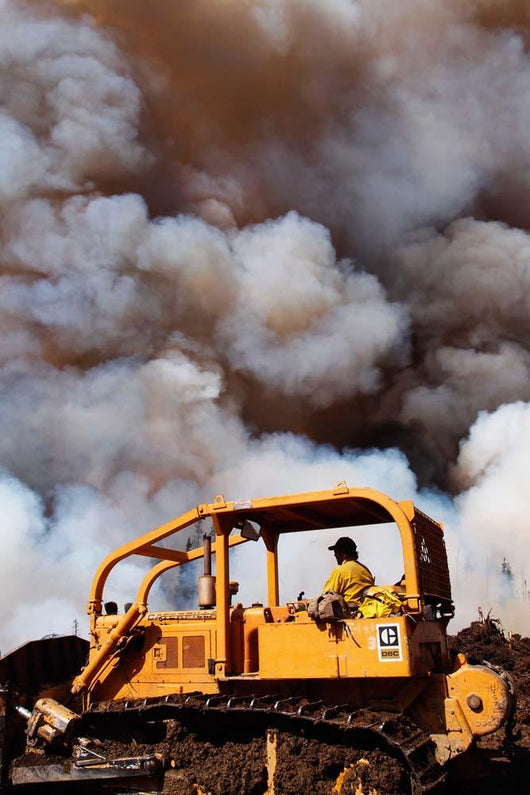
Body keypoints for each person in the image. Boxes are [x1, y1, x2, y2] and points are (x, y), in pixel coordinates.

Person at [323, 537, 374, 607]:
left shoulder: (340, 571)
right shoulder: (365, 570)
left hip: (349, 613)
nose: (335, 555)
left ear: (343, 553)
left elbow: (326, 597)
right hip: (365, 611)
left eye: (336, 552)